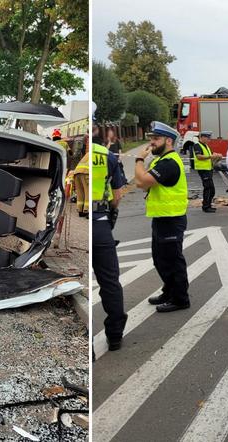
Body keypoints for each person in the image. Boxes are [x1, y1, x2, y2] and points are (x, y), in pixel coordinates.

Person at [134, 121, 190, 313]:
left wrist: (139, 160)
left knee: (173, 261)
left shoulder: (169, 163)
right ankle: (169, 290)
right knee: (160, 259)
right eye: (151, 139)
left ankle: (180, 299)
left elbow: (142, 182)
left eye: (156, 139)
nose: (151, 143)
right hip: (162, 217)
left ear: (168, 140)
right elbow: (144, 182)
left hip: (171, 219)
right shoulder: (161, 161)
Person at [92, 122, 127, 350]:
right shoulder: (107, 157)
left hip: (84, 218)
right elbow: (117, 196)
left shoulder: (78, 156)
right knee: (109, 281)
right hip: (101, 223)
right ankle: (114, 336)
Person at [192, 131, 222, 212]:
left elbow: (211, 154)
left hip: (208, 169)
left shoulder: (206, 146)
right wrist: (211, 156)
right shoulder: (197, 145)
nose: (209, 139)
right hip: (203, 169)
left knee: (211, 189)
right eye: (207, 138)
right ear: (202, 137)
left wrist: (217, 155)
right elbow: (199, 156)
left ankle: (208, 205)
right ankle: (206, 207)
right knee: (208, 188)